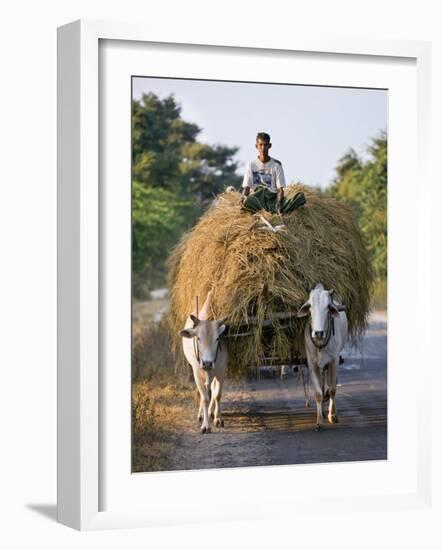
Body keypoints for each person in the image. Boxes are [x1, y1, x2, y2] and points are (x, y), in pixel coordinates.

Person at [241, 132, 306, 214]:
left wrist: (278, 205)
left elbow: (280, 190)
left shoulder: (276, 165)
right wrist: (243, 199)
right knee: (247, 200)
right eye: (260, 145)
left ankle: (276, 210)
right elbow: (246, 188)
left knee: (299, 196)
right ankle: (266, 210)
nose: (263, 148)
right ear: (256, 146)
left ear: (270, 146)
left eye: (265, 145)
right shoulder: (251, 165)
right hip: (257, 200)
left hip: (272, 200)